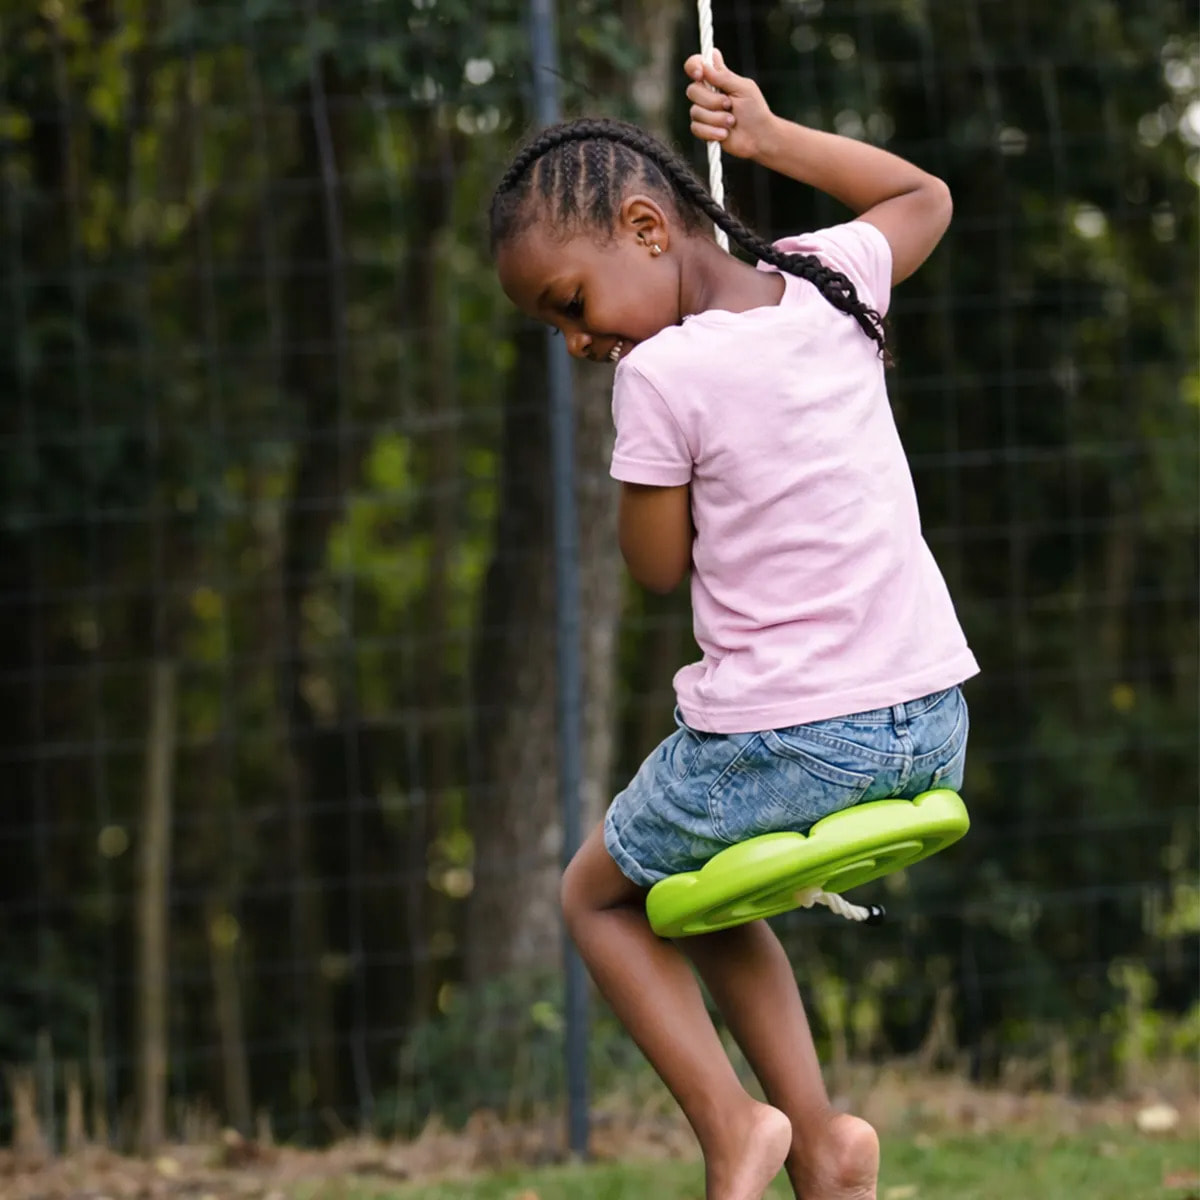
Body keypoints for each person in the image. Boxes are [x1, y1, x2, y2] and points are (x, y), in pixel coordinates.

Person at [490, 47, 978, 1200]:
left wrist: (663, 470)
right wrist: (770, 136)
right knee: (694, 884)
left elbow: (656, 569)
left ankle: (732, 1126)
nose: (578, 342)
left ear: (647, 229)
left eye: (571, 304)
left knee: (597, 896)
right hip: (931, 725)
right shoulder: (827, 278)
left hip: (794, 740)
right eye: (556, 329)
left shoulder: (662, 376)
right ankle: (822, 1144)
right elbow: (924, 198)